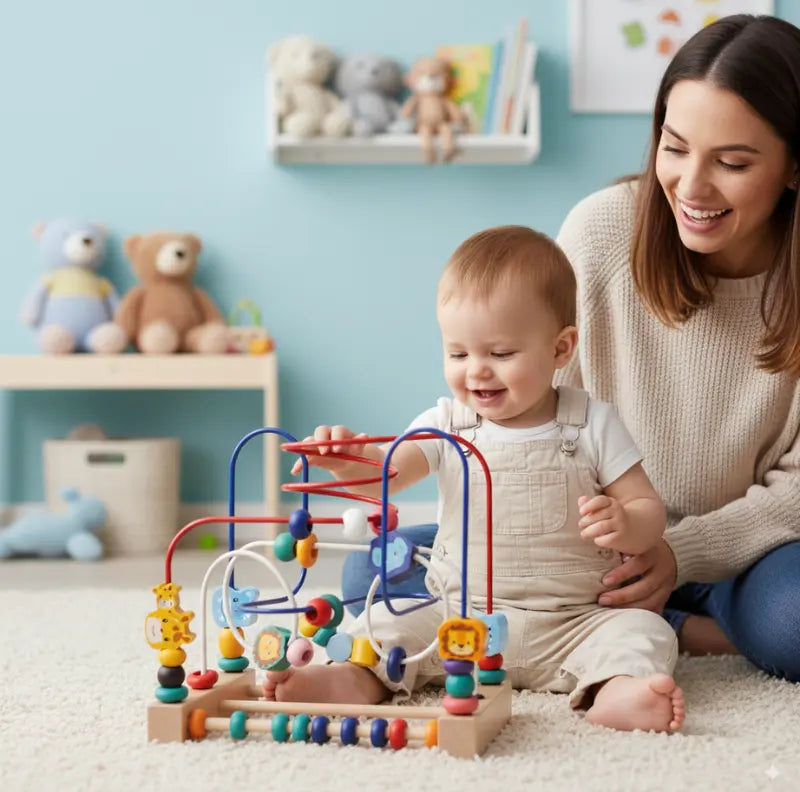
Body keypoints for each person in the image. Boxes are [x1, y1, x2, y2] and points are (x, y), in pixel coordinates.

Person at [346, 13, 800, 682]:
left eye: (732, 162)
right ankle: (664, 629)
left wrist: (677, 551)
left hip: (745, 555)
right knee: (370, 571)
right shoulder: (601, 232)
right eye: (673, 149)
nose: (692, 187)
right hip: (576, 557)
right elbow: (529, 408)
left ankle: (672, 621)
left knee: (794, 622)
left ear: (793, 165)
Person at [267, 226, 686, 733]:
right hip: (456, 617)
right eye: (459, 354)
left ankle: (619, 691)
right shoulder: (447, 422)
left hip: (575, 621)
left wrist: (626, 522)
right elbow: (385, 476)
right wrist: (345, 459)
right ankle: (348, 679)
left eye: (501, 354)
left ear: (561, 348)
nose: (477, 372)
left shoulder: (592, 423)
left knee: (645, 631)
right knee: (384, 622)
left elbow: (648, 510)